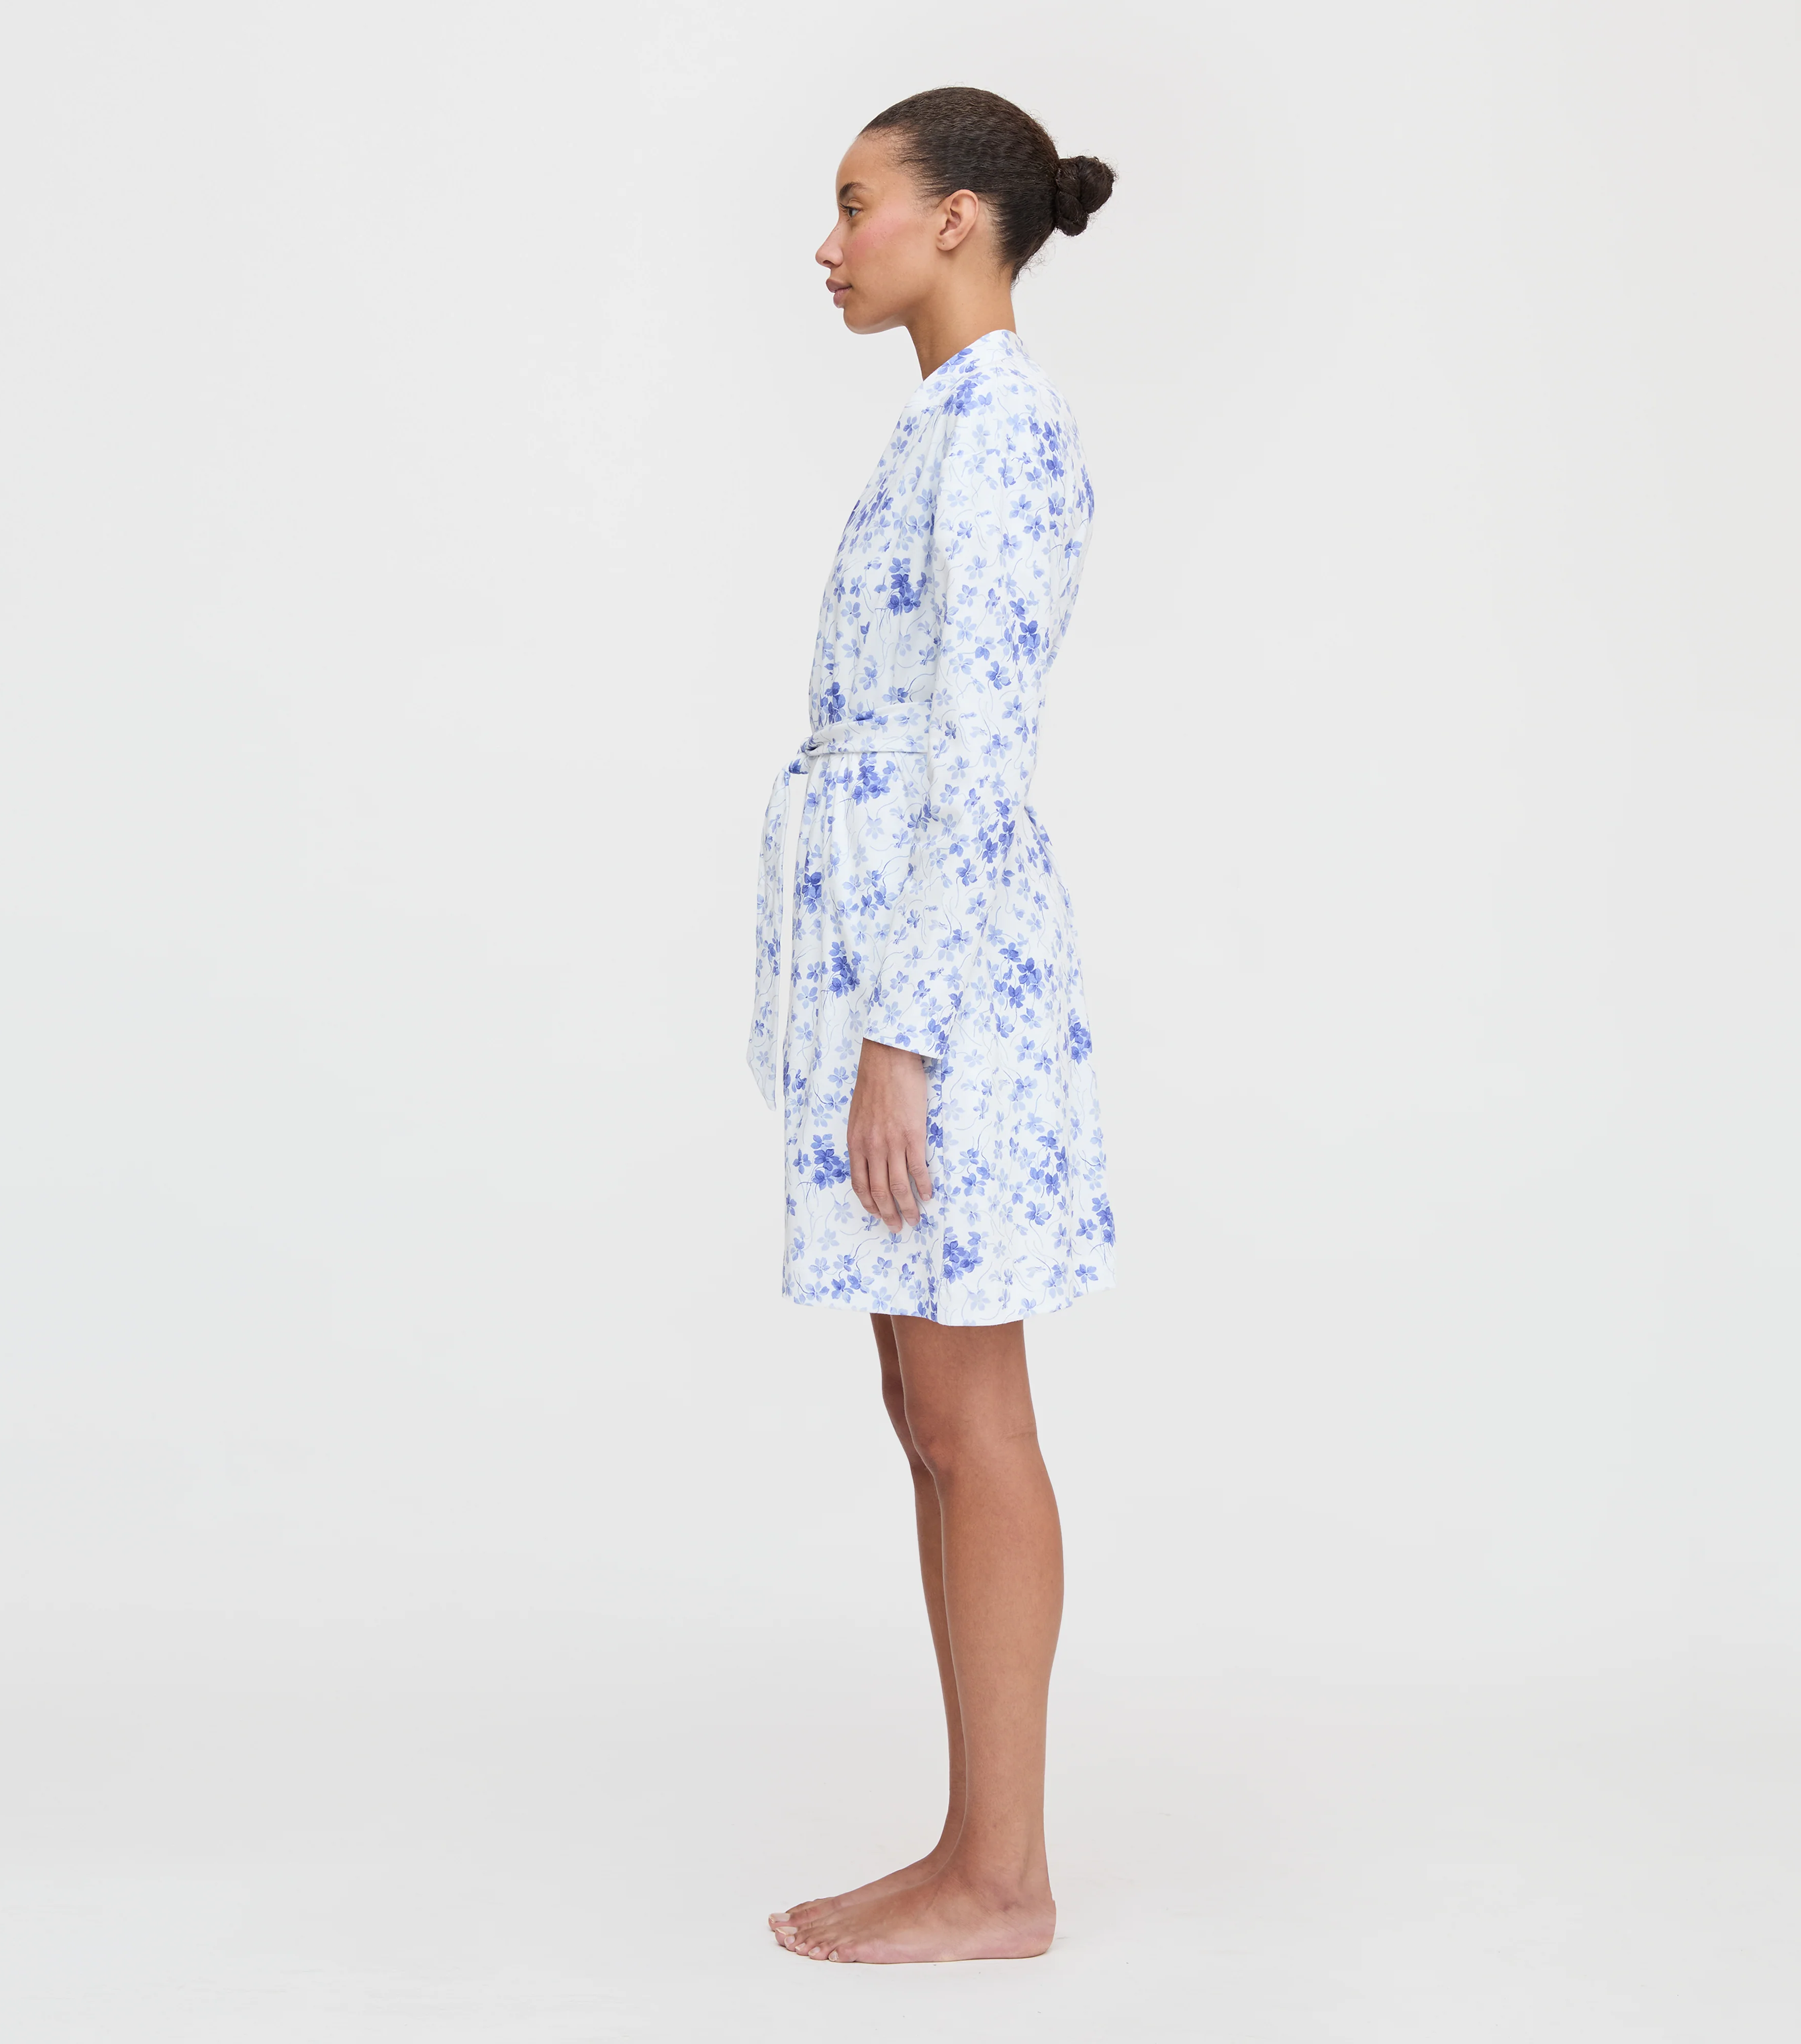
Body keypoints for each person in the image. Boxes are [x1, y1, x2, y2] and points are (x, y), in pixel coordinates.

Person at [748, 86, 1117, 1966]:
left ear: (960, 217)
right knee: (928, 1412)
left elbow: (982, 757)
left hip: (942, 990)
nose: (830, 246)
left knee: (972, 1416)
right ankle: (974, 1849)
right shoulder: (948, 424)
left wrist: (902, 1036)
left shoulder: (1002, 431)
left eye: (858, 205)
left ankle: (1003, 1881)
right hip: (902, 969)